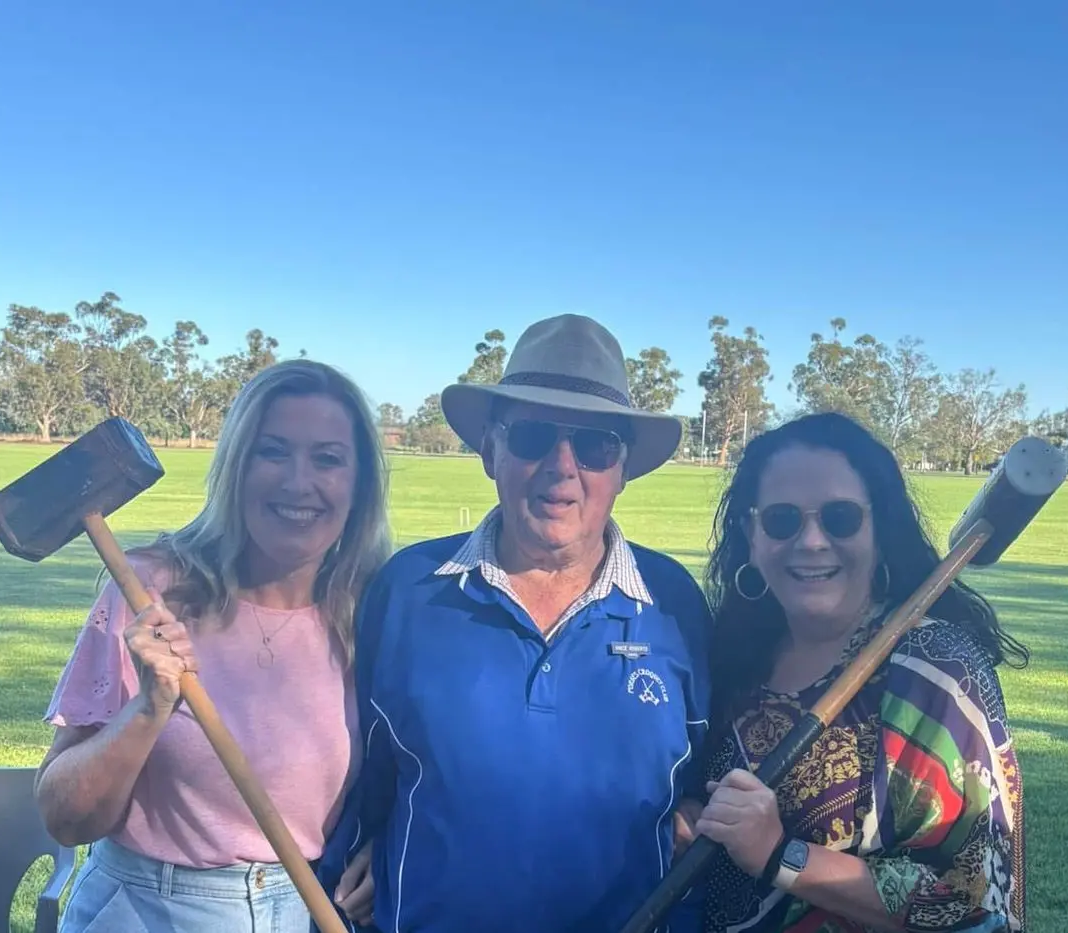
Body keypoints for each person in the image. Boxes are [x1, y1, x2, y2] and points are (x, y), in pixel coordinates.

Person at [314, 314, 712, 933]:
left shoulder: (676, 601)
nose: (562, 465)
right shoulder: (407, 588)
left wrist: (691, 804)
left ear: (623, 468)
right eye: (531, 436)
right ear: (489, 451)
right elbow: (362, 781)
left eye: (594, 444)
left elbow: (707, 771)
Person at [36, 359, 392, 931]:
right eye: (271, 451)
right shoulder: (149, 592)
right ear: (236, 467)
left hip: (308, 906)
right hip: (147, 908)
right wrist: (148, 708)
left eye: (327, 458)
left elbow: (408, 772)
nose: (298, 482)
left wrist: (386, 841)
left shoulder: (373, 607)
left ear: (360, 483)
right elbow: (65, 818)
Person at [685, 411, 1030, 933]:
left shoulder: (932, 669)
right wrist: (694, 820)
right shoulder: (730, 653)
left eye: (840, 517)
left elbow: (975, 902)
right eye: (782, 520)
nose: (812, 541)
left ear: (879, 528)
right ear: (749, 534)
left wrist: (780, 853)